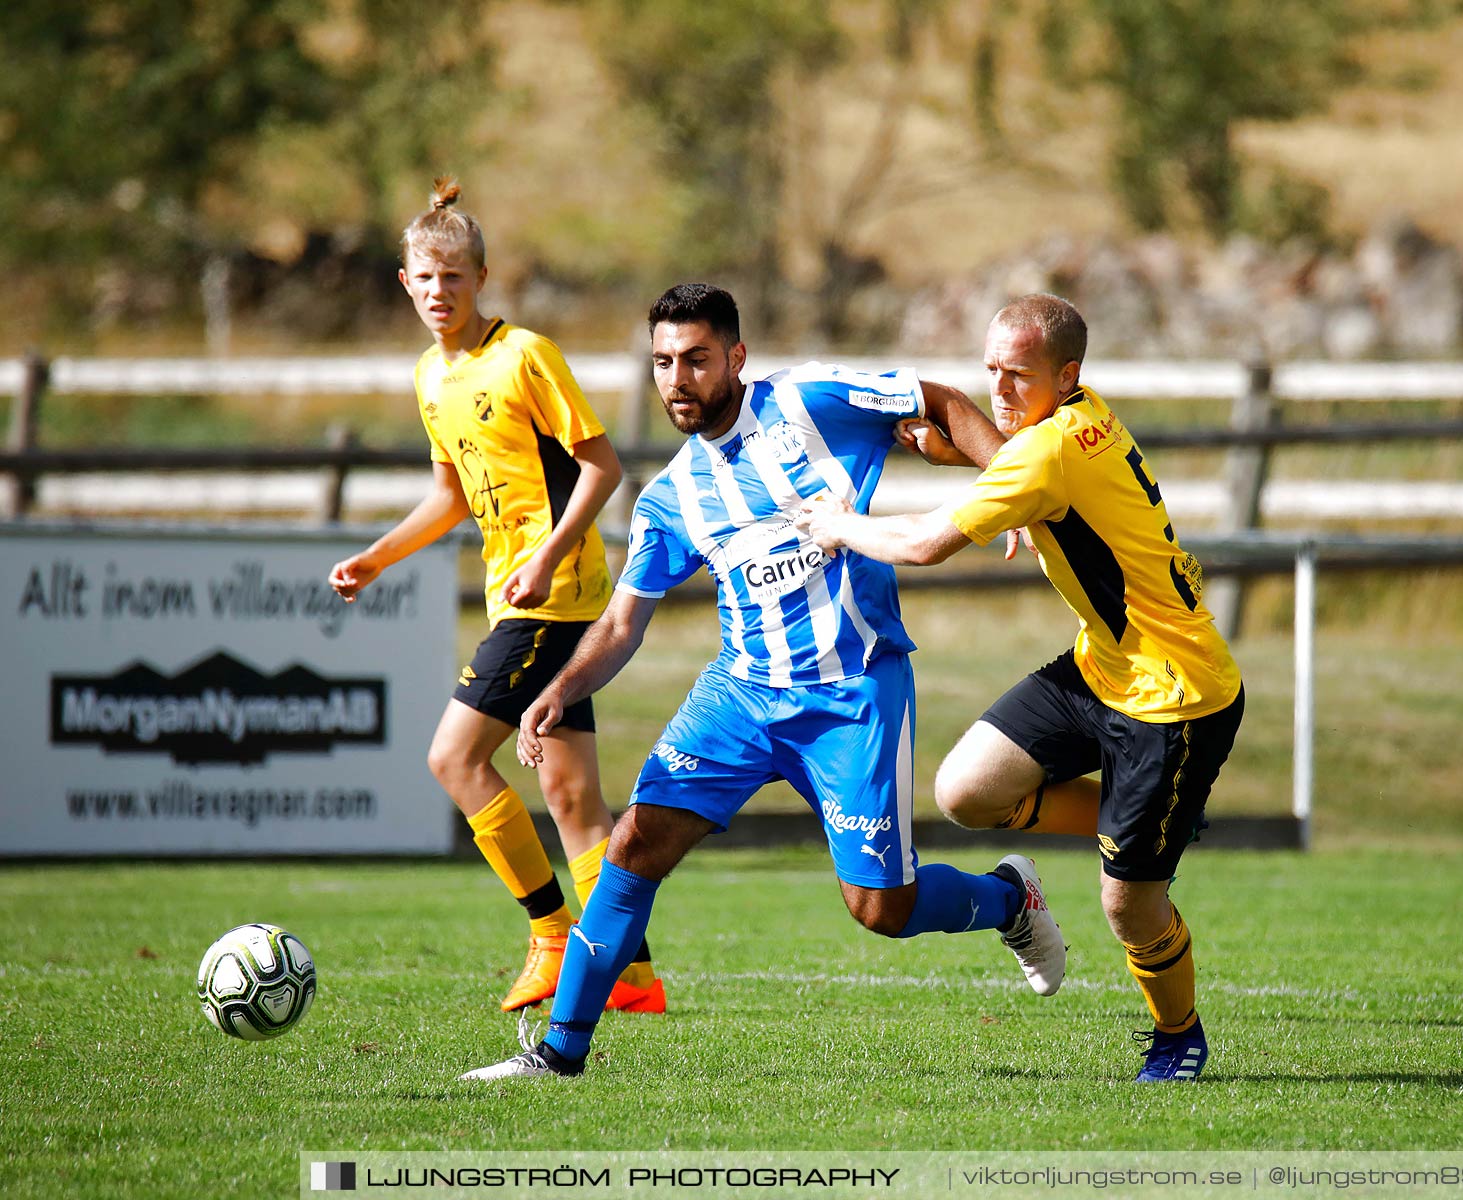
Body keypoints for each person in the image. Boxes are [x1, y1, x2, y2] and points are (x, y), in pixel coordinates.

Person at [459, 282, 1067, 1081]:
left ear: (737, 358)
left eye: (698, 360)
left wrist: (1008, 490)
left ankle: (1006, 900)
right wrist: (559, 691)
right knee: (634, 844)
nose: (679, 379)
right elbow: (619, 625)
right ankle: (558, 1055)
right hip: (742, 695)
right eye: (664, 363)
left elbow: (939, 399)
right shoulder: (671, 498)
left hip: (853, 693)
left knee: (882, 911)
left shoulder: (811, 398)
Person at [793, 293, 1245, 1083]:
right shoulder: (1073, 422)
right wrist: (971, 463)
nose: (1000, 389)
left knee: (1127, 906)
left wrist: (838, 526)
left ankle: (1178, 1037)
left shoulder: (1047, 453)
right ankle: (1144, 830)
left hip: (1175, 698)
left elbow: (927, 542)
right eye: (992, 371)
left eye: (1019, 375)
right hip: (1103, 667)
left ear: (1067, 374)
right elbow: (1027, 468)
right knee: (967, 792)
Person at [327, 178, 663, 1015]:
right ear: (405, 282)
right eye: (425, 278)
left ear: (482, 277)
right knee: (574, 798)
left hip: (555, 596)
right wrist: (378, 557)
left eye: (455, 277)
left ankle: (552, 934)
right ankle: (633, 976)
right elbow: (449, 495)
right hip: (521, 596)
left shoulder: (527, 356)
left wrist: (549, 555)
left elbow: (603, 467)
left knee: (453, 757)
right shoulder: (430, 377)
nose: (440, 292)